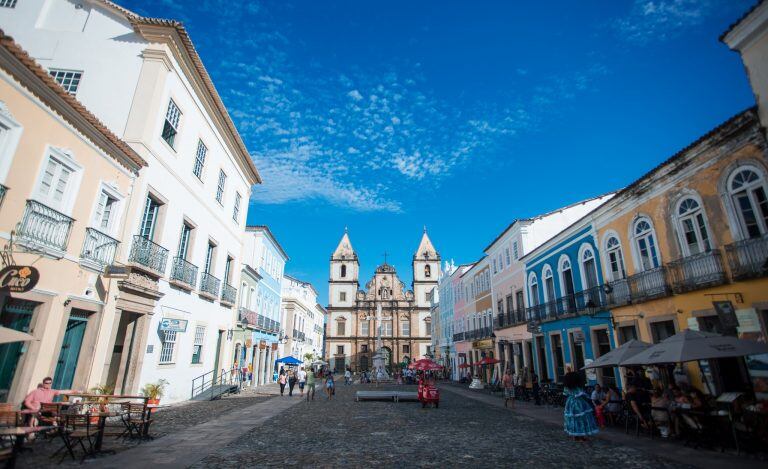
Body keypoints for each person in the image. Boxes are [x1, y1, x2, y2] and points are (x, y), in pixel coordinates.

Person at [562, 371, 599, 441]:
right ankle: (581, 436)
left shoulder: (567, 387)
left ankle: (575, 435)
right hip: (579, 403)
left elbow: (565, 394)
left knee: (573, 419)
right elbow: (582, 394)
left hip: (570, 403)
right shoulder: (577, 387)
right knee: (581, 419)